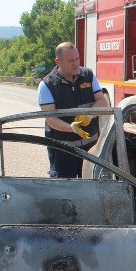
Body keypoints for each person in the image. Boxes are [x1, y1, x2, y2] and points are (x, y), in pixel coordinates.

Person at [38, 42, 108, 178]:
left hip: (90, 148)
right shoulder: (47, 85)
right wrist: (71, 128)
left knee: (91, 189)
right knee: (65, 192)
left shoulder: (88, 75)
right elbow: (51, 119)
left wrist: (89, 116)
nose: (76, 64)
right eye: (71, 61)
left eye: (77, 59)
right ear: (58, 61)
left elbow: (102, 100)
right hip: (63, 150)